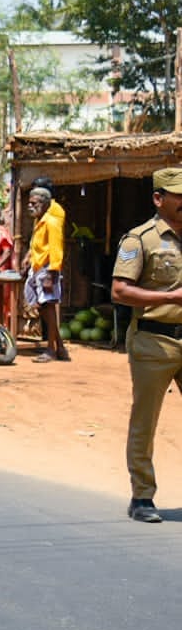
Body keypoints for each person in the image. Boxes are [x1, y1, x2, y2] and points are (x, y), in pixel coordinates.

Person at [111, 166, 182, 524]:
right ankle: (142, 497)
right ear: (159, 198)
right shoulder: (140, 240)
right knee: (146, 421)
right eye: (179, 195)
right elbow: (120, 291)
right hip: (154, 340)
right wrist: (172, 296)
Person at [24, 186, 69, 363]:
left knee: (48, 307)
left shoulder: (51, 221)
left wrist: (52, 273)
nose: (30, 206)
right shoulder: (40, 219)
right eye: (29, 202)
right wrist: (28, 257)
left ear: (44, 203)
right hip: (38, 266)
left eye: (34, 203)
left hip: (48, 268)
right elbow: (36, 243)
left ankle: (51, 350)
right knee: (43, 307)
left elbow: (56, 247)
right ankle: (60, 347)